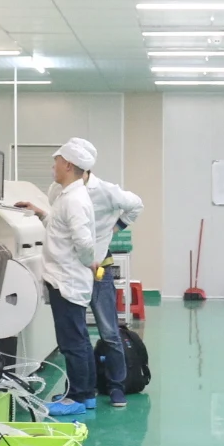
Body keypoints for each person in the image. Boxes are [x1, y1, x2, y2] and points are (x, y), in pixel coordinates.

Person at [15, 139, 104, 417]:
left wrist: (89, 262)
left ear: (67, 164)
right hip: (66, 279)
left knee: (72, 342)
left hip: (67, 281)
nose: (53, 166)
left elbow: (84, 242)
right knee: (78, 339)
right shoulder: (69, 197)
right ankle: (85, 394)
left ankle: (76, 397)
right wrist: (41, 213)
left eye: (56, 161)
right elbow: (61, 228)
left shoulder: (74, 200)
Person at [75, 143, 142, 408]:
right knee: (78, 334)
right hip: (72, 269)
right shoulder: (60, 191)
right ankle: (86, 387)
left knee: (109, 330)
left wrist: (115, 228)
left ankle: (116, 386)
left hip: (99, 269)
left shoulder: (105, 190)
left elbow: (136, 205)